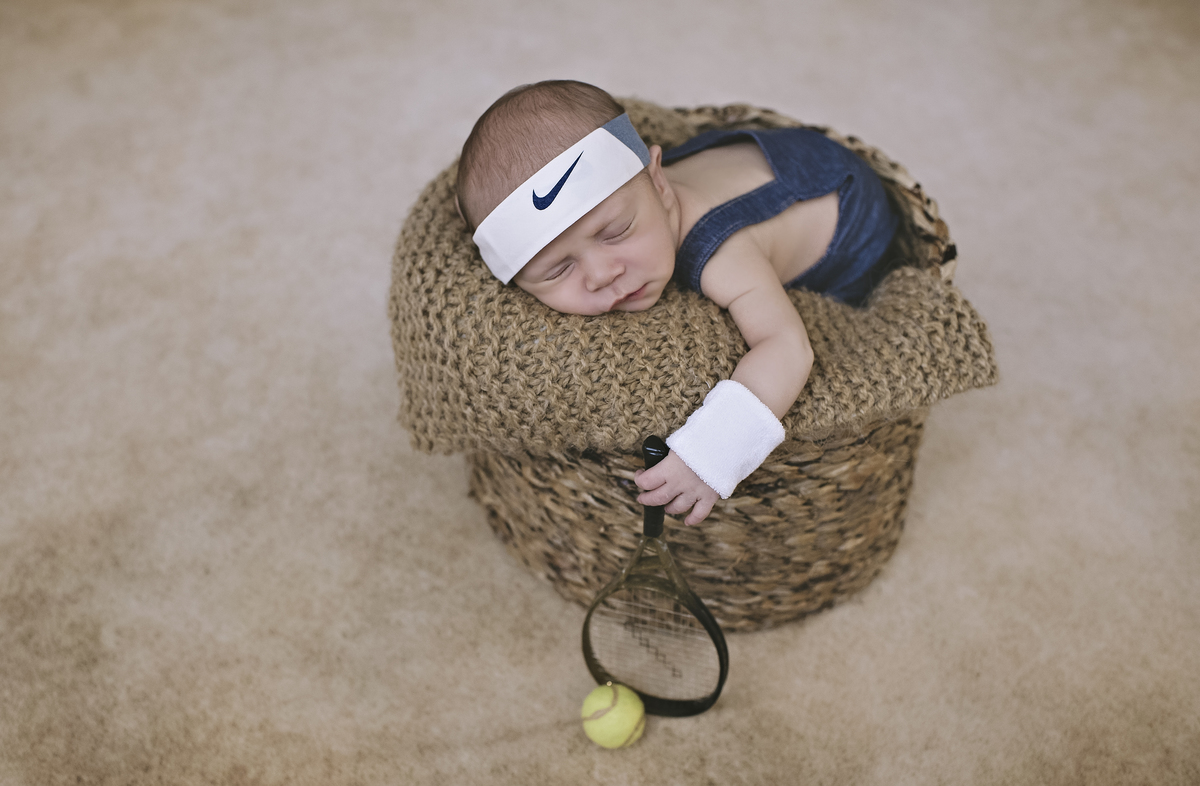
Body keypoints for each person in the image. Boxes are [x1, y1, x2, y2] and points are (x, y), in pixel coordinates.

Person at [455, 80, 898, 526]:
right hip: (753, 162)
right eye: (557, 270)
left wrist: (709, 454)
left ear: (659, 182)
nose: (602, 273)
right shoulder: (634, 200)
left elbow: (787, 346)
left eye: (616, 232)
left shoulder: (722, 254)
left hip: (847, 214)